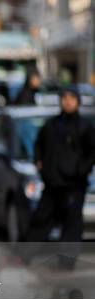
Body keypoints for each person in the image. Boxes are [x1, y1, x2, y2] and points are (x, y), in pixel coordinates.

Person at [25, 85, 95, 244]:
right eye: (65, 98)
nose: (68, 102)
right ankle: (25, 255)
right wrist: (40, 164)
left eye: (72, 98)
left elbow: (92, 153)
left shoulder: (85, 127)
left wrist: (81, 169)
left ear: (78, 101)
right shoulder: (51, 125)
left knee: (72, 225)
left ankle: (66, 263)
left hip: (74, 185)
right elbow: (39, 146)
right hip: (52, 183)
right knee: (41, 219)